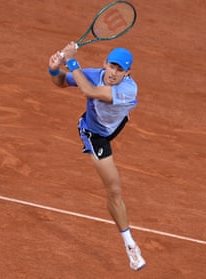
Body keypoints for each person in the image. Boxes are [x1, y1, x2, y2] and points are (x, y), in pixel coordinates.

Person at [47, 41, 146, 271]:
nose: (114, 73)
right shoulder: (92, 75)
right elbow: (61, 81)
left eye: (120, 70)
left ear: (128, 73)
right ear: (105, 64)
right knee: (114, 190)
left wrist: (72, 61)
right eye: (111, 67)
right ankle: (131, 246)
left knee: (113, 111)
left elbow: (90, 91)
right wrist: (53, 69)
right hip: (96, 134)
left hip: (116, 124)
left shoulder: (129, 89)